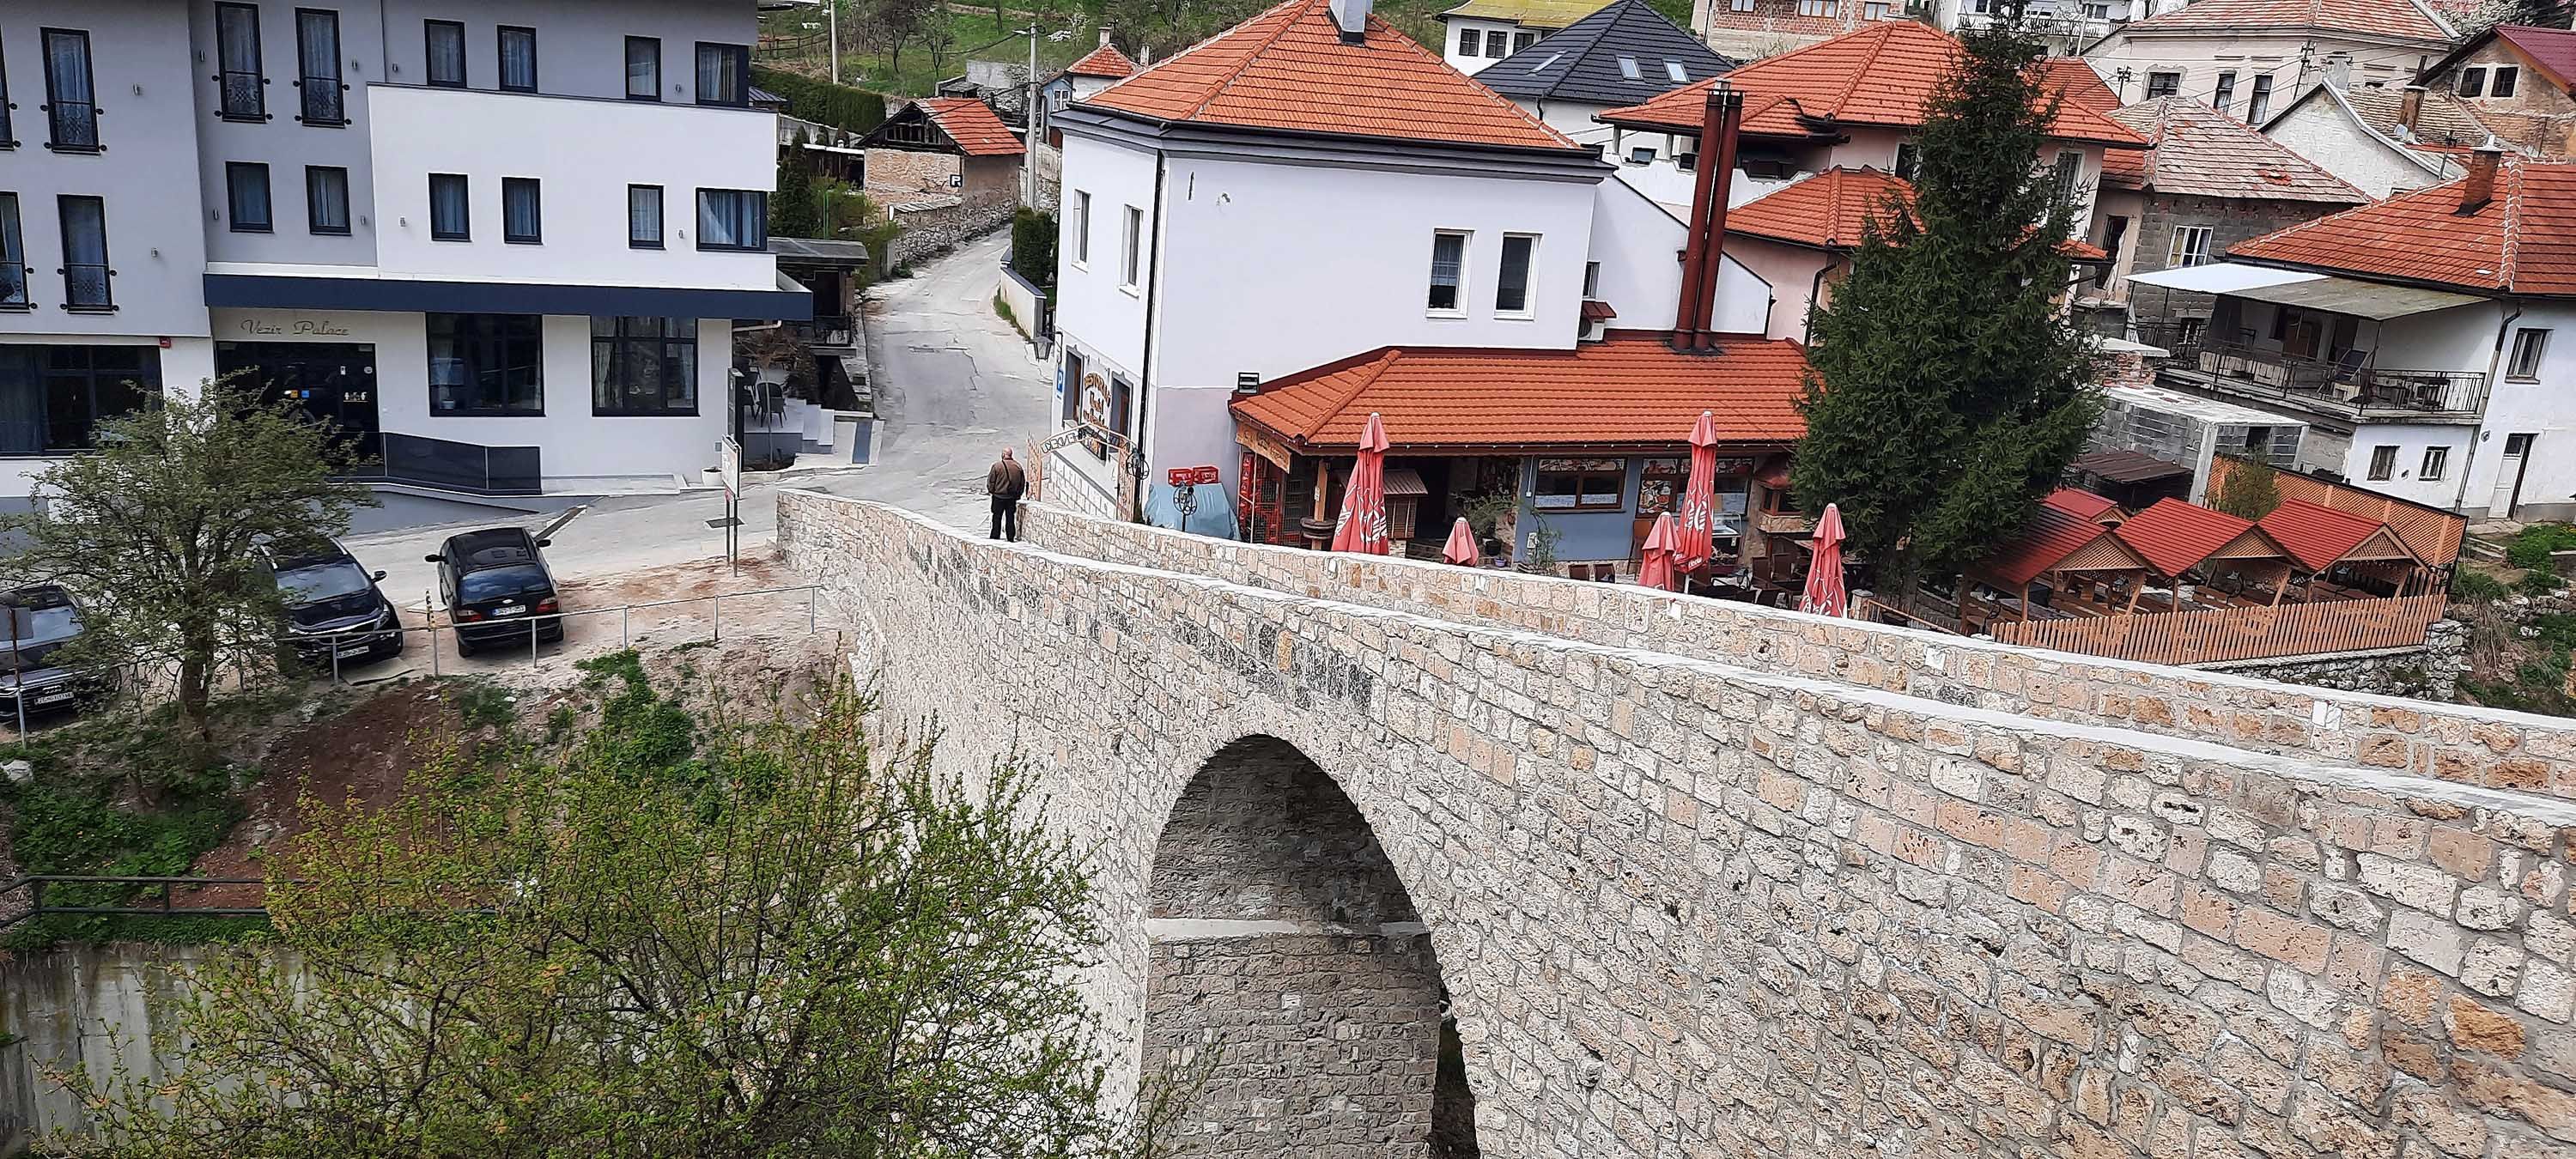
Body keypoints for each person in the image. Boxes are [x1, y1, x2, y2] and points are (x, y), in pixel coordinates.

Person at [987, 449, 1027, 541]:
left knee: (997, 517)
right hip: (1011, 498)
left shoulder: (997, 466)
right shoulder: (1017, 466)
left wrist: (992, 491)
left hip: (998, 497)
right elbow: (1022, 483)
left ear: (1003, 454)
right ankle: (1010, 537)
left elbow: (991, 481)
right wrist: (1018, 494)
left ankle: (995, 536)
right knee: (1010, 517)